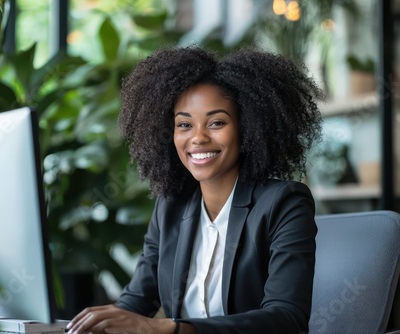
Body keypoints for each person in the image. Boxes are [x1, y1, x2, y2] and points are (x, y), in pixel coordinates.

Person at [66, 46, 323, 334]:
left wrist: (174, 329)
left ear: (248, 127)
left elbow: (286, 318)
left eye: (216, 123)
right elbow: (134, 305)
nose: (198, 138)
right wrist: (94, 324)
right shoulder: (171, 207)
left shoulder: (284, 203)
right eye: (184, 124)